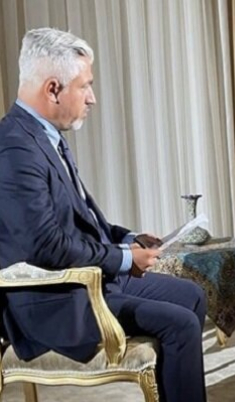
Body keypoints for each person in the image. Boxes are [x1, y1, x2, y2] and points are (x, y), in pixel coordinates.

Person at [0, 28, 207, 402]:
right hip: (55, 301)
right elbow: (44, 245)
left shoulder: (44, 136)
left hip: (88, 283)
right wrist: (125, 259)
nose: (92, 98)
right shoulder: (15, 148)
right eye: (85, 86)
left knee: (191, 295)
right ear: (53, 89)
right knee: (181, 325)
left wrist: (128, 239)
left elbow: (80, 220)